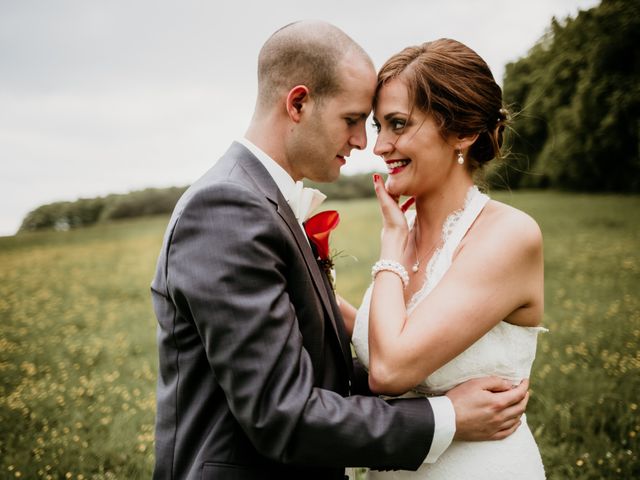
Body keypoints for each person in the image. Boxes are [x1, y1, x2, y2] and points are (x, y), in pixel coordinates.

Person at [151, 22, 529, 480]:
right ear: (298, 103)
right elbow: (281, 413)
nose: (364, 143)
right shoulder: (228, 208)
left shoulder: (259, 202)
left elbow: (318, 364)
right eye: (355, 121)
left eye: (392, 124)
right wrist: (446, 417)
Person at [345, 38, 546, 479]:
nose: (380, 147)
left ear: (463, 132)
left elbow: (390, 369)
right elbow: (377, 329)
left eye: (398, 124)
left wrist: (391, 251)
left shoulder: (509, 236)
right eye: (380, 127)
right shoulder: (409, 228)